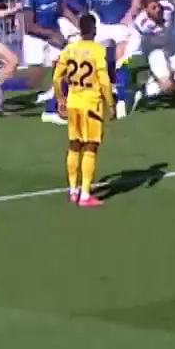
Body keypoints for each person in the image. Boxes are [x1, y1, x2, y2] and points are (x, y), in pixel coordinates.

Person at [56, 12, 114, 208]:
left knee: (74, 144)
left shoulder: (69, 50)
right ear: (95, 29)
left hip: (73, 102)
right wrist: (111, 104)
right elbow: (104, 80)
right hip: (91, 104)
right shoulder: (98, 51)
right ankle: (85, 194)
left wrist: (60, 99)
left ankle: (73, 190)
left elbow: (57, 77)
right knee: (90, 146)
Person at [20, 0, 68, 123]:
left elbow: (63, 9)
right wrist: (51, 34)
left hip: (52, 33)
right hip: (35, 38)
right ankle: (0, 86)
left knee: (63, 68)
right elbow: (29, 26)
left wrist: (79, 24)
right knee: (33, 81)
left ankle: (51, 110)